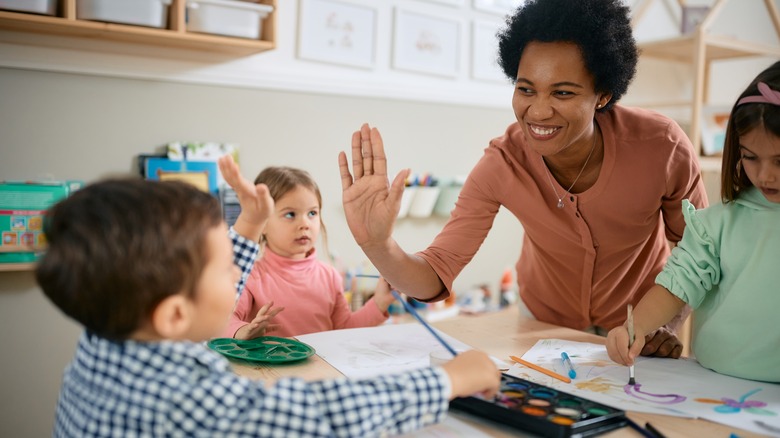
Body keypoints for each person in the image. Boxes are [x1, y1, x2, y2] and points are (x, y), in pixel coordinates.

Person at [338, 0, 708, 358]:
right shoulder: (503, 162)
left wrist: (665, 324)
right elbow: (435, 275)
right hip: (543, 326)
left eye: (562, 92)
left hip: (637, 328)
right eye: (526, 89)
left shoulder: (661, 147)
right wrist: (378, 245)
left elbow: (698, 253)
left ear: (603, 95)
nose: (539, 111)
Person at [38, 156, 500, 436]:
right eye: (226, 268)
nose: (239, 272)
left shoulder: (106, 341)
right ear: (175, 314)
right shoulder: (180, 402)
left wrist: (247, 225)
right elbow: (319, 417)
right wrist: (445, 381)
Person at [606, 62, 780, 383]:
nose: (765, 175)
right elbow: (676, 286)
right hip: (711, 383)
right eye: (751, 157)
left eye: (779, 161)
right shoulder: (716, 224)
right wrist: (634, 329)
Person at [224, 165, 394, 339]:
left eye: (312, 213)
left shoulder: (330, 276)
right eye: (290, 214)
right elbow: (226, 320)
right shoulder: (249, 275)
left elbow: (344, 329)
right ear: (263, 223)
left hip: (323, 366)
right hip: (271, 367)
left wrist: (379, 302)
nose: (305, 223)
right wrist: (243, 331)